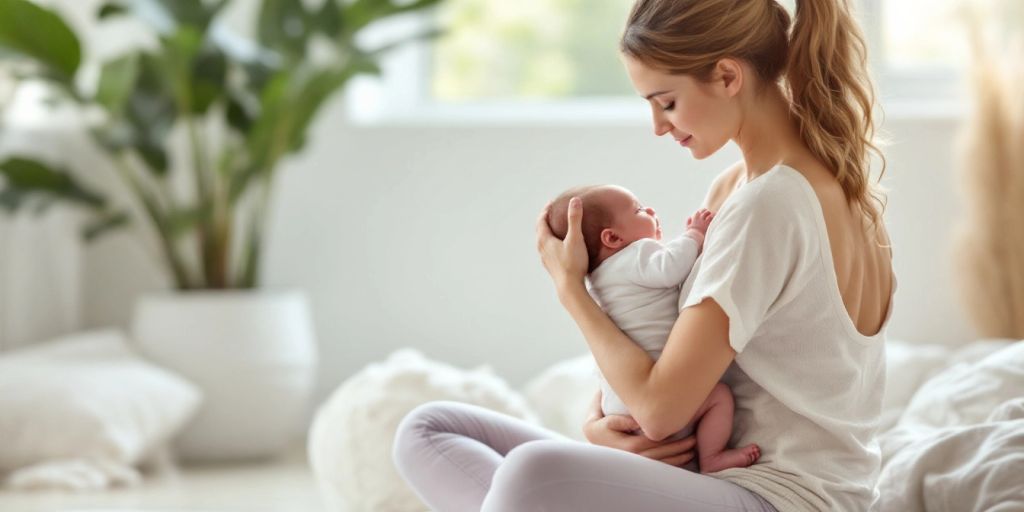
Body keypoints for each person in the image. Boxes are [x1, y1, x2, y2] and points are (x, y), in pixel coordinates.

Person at [392, 0, 895, 509]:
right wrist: (600, 424)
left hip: (775, 496)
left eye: (667, 102)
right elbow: (672, 351)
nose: (657, 125)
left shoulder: (767, 204)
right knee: (429, 429)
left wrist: (572, 290)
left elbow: (660, 411)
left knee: (531, 474)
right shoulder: (774, 186)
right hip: (709, 477)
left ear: (726, 76)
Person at [546, 185, 760, 475]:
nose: (650, 211)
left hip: (620, 407)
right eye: (638, 210)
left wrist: (593, 425)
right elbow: (670, 268)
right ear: (612, 237)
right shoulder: (637, 253)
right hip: (656, 400)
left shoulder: (598, 284)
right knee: (719, 396)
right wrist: (695, 235)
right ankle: (713, 456)